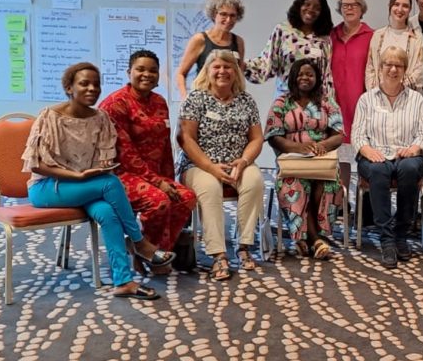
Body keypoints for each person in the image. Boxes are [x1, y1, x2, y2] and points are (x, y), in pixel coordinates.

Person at [23, 62, 173, 301]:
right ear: (69, 88)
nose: (92, 89)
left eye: (96, 84)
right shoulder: (50, 116)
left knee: (108, 213)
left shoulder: (101, 118)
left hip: (84, 187)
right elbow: (36, 165)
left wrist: (95, 171)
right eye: (84, 83)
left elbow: (105, 159)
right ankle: (140, 242)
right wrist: (77, 176)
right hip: (47, 188)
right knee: (110, 184)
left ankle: (123, 281)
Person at [99, 50, 197, 273]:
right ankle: (146, 251)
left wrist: (168, 180)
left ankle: (155, 251)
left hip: (152, 175)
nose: (147, 74)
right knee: (160, 200)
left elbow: (164, 147)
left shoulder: (159, 102)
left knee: (185, 198)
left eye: (152, 70)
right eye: (140, 69)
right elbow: (126, 154)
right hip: (118, 175)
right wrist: (159, 183)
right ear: (129, 72)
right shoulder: (115, 104)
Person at [177, 50, 266, 282]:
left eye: (228, 67)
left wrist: (244, 161)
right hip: (199, 165)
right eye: (216, 66)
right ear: (207, 71)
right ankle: (218, 255)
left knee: (255, 181)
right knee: (210, 188)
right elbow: (185, 138)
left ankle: (244, 245)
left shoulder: (246, 100)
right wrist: (211, 167)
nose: (222, 71)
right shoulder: (196, 98)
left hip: (238, 162)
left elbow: (257, 138)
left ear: (235, 72)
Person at [353, 47, 423, 269]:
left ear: (405, 70)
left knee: (409, 169)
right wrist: (368, 151)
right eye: (388, 64)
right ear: (380, 68)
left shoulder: (416, 100)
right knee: (378, 170)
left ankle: (401, 234)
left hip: (406, 154)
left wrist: (414, 148)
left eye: (398, 65)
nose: (393, 69)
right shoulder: (366, 99)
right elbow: (358, 135)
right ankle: (386, 239)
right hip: (374, 154)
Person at [265, 59, 345, 260]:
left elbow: (338, 134)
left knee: (328, 185)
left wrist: (322, 146)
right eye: (301, 74)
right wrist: (299, 148)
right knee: (296, 186)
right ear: (293, 77)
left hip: (321, 161)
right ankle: (315, 240)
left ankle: (305, 238)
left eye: (310, 74)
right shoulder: (281, 103)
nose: (305, 78)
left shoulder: (327, 102)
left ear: (317, 79)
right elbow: (274, 137)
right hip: (293, 162)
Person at [246, 0, 335, 99]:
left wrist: (329, 104)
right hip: (286, 99)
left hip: (314, 103)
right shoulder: (283, 31)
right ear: (299, 6)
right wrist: (244, 66)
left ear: (322, 13)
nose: (311, 9)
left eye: (317, 8)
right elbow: (267, 62)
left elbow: (326, 75)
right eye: (307, 4)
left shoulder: (325, 39)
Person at [331, 0, 374, 199]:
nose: (349, 8)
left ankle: (365, 206)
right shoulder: (331, 35)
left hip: (361, 103)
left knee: (364, 153)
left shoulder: (372, 36)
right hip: (335, 102)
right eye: (345, 5)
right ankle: (341, 202)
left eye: (354, 4)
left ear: (362, 9)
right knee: (341, 156)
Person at [175, 0, 247, 97]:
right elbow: (181, 74)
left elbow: (239, 76)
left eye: (232, 15)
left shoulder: (239, 41)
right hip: (203, 100)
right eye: (223, 14)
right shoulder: (200, 40)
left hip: (229, 101)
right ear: (214, 15)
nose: (228, 20)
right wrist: (185, 98)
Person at [366, 0, 423, 91]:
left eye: (405, 6)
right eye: (396, 4)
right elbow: (370, 68)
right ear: (390, 7)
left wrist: (396, 93)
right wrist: (377, 93)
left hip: (407, 97)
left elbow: (418, 72)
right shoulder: (378, 35)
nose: (400, 9)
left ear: (410, 10)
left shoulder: (416, 37)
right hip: (379, 98)